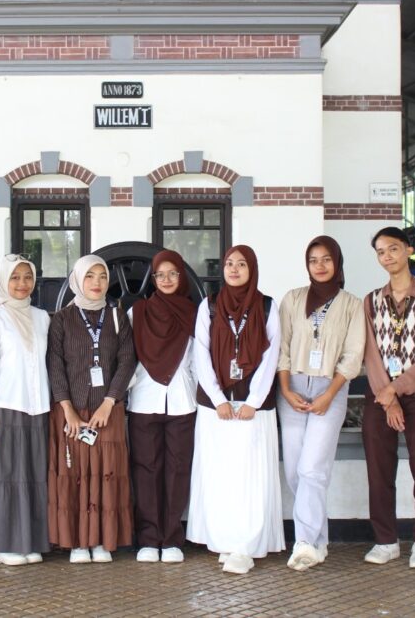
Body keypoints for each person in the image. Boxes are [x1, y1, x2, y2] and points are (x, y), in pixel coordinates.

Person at [187, 245, 283, 575]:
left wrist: (253, 400)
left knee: (251, 476)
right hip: (217, 407)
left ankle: (247, 545)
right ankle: (226, 540)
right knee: (221, 474)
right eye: (229, 263)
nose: (234, 269)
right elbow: (200, 352)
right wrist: (218, 399)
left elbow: (272, 354)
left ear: (252, 269)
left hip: (254, 407)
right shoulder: (210, 305)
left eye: (242, 264)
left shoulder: (267, 306)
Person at [277, 236, 365, 572]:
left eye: (326, 259)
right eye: (313, 260)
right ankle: (318, 539)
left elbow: (353, 354)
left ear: (337, 262)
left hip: (331, 387)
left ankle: (303, 543)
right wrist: (286, 390)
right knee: (294, 471)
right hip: (293, 388)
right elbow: (282, 347)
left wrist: (330, 393)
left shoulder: (352, 305)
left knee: (312, 468)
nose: (320, 265)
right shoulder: (293, 299)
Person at [361, 227, 415, 569]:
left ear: (408, 250)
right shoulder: (371, 300)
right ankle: (386, 541)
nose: (387, 257)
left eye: (393, 249)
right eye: (381, 252)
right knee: (379, 472)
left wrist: (397, 390)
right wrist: (387, 397)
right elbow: (370, 354)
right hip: (379, 396)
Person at [46, 254, 136, 564]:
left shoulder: (117, 316)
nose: (97, 282)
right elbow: (55, 364)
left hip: (107, 412)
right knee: (75, 474)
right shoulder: (62, 319)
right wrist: (67, 409)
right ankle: (77, 543)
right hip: (71, 411)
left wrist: (110, 402)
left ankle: (101, 541)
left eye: (102, 276)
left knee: (105, 473)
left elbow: (127, 360)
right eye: (89, 276)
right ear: (77, 280)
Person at [0, 255, 52, 566]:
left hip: (39, 408)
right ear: (3, 281)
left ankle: (30, 542)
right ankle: (5, 544)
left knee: (34, 475)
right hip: (6, 407)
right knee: (7, 476)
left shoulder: (42, 317)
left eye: (27, 277)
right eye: (15, 277)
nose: (22, 284)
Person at [127, 250, 197, 564]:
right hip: (144, 400)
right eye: (160, 274)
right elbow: (127, 357)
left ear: (181, 276)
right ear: (153, 278)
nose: (166, 279)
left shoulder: (193, 313)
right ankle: (148, 538)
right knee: (146, 470)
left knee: (178, 470)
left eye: (173, 273)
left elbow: (199, 361)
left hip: (182, 401)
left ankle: (171, 539)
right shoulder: (138, 312)